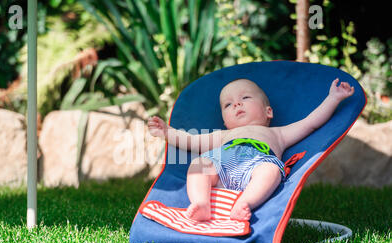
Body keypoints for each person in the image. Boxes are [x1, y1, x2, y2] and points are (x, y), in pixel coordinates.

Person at [148, 78, 354, 222]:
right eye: (228, 104)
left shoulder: (278, 133)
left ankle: (244, 203)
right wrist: (167, 132)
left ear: (268, 111)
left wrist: (333, 98)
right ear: (225, 122)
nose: (237, 103)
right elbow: (191, 141)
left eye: (245, 98)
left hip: (256, 166)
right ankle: (201, 203)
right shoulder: (224, 135)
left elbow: (310, 123)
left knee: (270, 171)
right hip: (221, 169)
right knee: (199, 164)